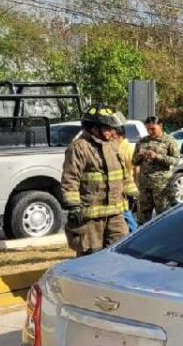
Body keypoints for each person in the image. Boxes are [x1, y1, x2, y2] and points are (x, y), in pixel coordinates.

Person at [60, 103, 139, 256]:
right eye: (108, 128)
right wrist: (73, 205)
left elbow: (123, 174)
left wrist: (132, 193)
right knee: (92, 255)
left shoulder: (113, 146)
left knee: (119, 253)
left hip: (115, 214)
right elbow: (70, 179)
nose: (113, 132)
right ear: (94, 128)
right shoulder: (79, 148)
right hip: (90, 217)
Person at [133, 116, 181, 223]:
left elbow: (175, 160)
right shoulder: (142, 141)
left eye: (153, 129)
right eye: (147, 129)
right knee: (142, 218)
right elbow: (134, 162)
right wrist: (139, 156)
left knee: (163, 218)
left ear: (160, 126)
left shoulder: (169, 141)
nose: (150, 132)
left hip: (162, 186)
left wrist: (157, 156)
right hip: (145, 186)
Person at [112, 113, 139, 232]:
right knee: (124, 214)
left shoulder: (128, 148)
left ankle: (135, 234)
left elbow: (136, 169)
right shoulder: (116, 148)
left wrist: (136, 187)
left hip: (127, 188)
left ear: (119, 135)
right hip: (119, 187)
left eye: (113, 135)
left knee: (126, 213)